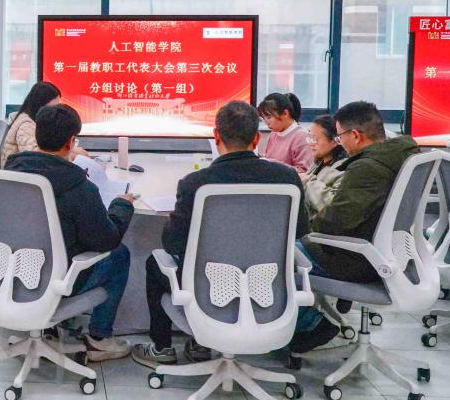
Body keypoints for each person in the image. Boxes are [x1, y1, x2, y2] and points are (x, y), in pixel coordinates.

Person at [132, 101, 310, 369]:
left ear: (216, 136)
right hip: (268, 285)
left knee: (156, 263)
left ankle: (162, 348)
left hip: (207, 287)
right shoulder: (287, 178)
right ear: (256, 138)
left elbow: (172, 243)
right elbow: (300, 230)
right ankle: (201, 345)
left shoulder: (196, 183)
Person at [5, 104, 135, 362]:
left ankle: (51, 327)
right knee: (119, 254)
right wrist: (121, 205)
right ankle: (99, 339)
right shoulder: (78, 187)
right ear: (70, 142)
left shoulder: (10, 173)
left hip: (10, 272)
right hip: (55, 280)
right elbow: (106, 240)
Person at [290, 101, 420, 352]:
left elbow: (334, 222)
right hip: (387, 256)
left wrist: (305, 228)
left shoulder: (367, 168)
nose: (341, 143)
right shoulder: (402, 156)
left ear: (356, 136)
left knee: (278, 254)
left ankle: (309, 324)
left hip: (355, 259)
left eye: (340, 137)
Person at [302, 114, 348, 218]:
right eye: (310, 138)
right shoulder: (319, 162)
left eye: (315, 139)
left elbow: (333, 205)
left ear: (334, 141)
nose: (311, 143)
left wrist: (306, 180)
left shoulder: (343, 168)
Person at [258, 92, 314, 175]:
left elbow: (304, 172)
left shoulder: (302, 136)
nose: (266, 122)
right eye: (264, 118)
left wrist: (274, 164)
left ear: (285, 113)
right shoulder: (273, 134)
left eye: (269, 117)